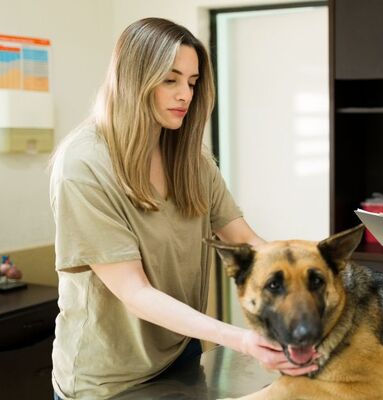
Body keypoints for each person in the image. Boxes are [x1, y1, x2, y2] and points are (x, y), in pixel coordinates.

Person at [48, 18, 316, 399]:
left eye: (191, 82)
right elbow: (135, 292)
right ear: (134, 79)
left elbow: (245, 240)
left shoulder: (190, 158)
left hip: (180, 351)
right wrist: (240, 338)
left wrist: (303, 290)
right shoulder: (84, 166)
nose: (185, 95)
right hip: (108, 378)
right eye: (170, 80)